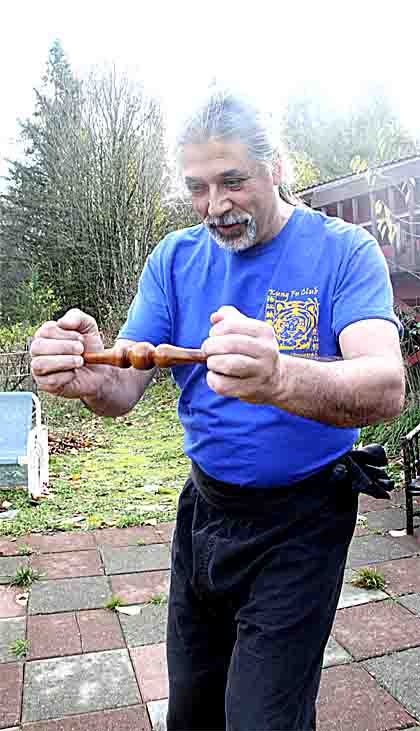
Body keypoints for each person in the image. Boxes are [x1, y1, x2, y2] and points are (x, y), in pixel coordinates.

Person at [31, 89, 405, 731]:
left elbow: (385, 385)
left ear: (276, 168)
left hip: (303, 520)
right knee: (194, 711)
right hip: (205, 513)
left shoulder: (343, 251)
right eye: (198, 188)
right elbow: (124, 389)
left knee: (263, 717)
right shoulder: (175, 259)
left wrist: (281, 377)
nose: (216, 207)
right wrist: (87, 372)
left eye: (232, 181)